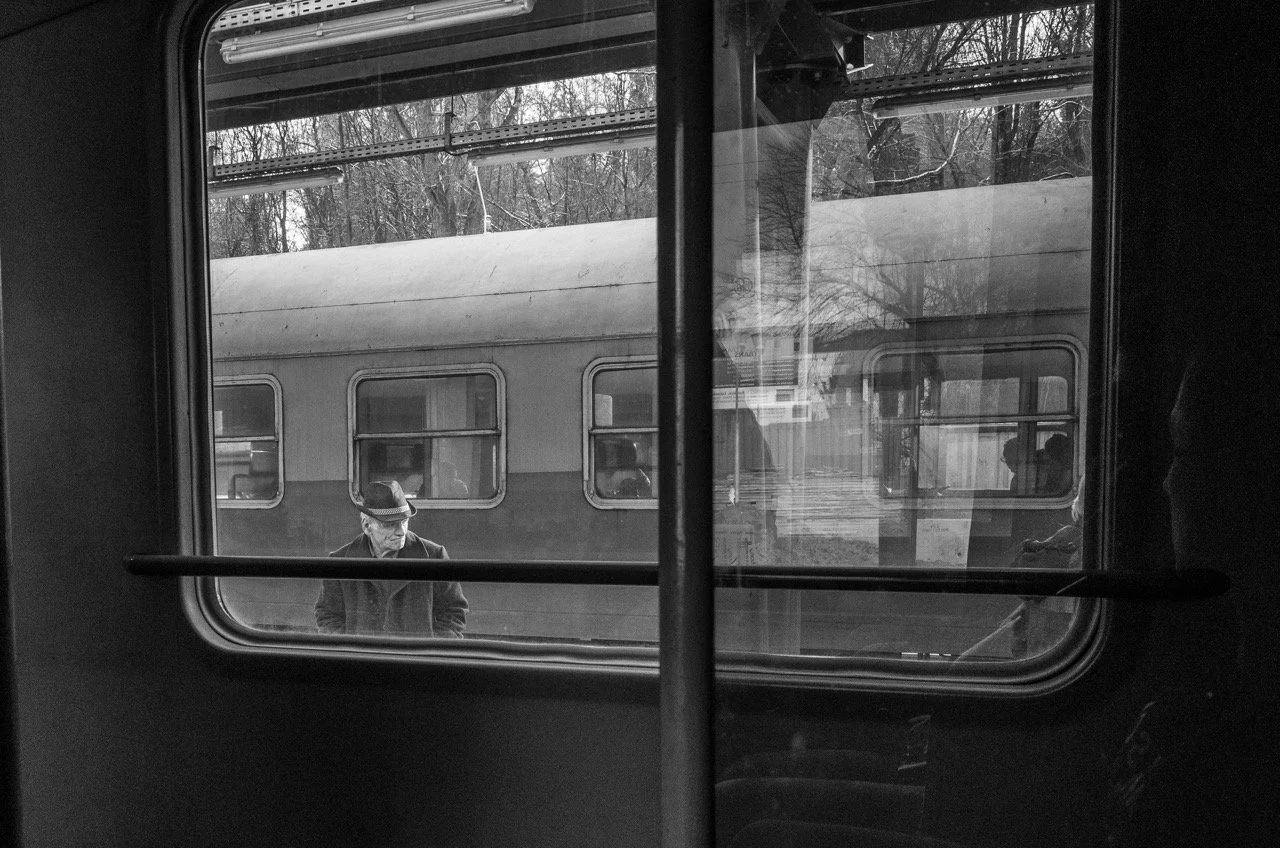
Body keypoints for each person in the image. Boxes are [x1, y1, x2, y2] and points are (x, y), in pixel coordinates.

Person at [1106, 329, 1280, 845]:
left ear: (1248, 482)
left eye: (1183, 453)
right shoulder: (1227, 688)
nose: (1165, 483)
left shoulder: (1210, 754)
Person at [314, 480, 468, 637]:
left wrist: (431, 652)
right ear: (366, 525)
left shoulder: (435, 557)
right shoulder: (339, 562)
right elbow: (328, 616)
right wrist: (350, 651)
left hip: (417, 659)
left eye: (404, 521)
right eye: (390, 524)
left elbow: (454, 612)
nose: (401, 531)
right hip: (361, 658)